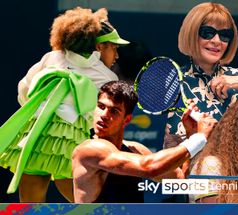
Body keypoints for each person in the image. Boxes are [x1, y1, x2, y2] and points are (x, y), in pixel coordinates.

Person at [0, 7, 129, 202]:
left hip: (36, 138)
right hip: (71, 144)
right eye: (114, 47)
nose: (117, 55)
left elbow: (24, 91)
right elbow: (103, 116)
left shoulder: (51, 58)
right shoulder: (107, 77)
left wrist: (44, 111)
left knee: (29, 207)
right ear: (99, 47)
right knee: (86, 205)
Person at [72, 81, 217, 203]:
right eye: (101, 106)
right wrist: (199, 138)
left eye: (114, 111)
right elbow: (150, 167)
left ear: (127, 120)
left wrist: (191, 134)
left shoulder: (135, 149)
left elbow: (180, 181)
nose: (104, 115)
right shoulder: (88, 150)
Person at [164, 2, 238, 150]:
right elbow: (167, 145)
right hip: (188, 169)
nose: (216, 41)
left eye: (225, 35)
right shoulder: (172, 81)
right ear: (192, 33)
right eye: (208, 33)